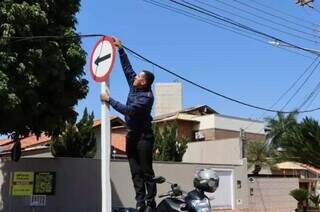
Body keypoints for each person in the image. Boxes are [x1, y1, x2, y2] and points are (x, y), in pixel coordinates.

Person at [100, 37, 156, 212]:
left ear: (144, 82)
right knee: (135, 172)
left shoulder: (146, 98)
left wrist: (109, 100)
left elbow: (129, 110)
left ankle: (150, 202)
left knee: (146, 171)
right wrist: (120, 49)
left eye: (139, 76)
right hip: (131, 135)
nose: (135, 77)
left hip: (144, 137)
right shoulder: (135, 85)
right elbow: (127, 69)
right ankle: (140, 202)